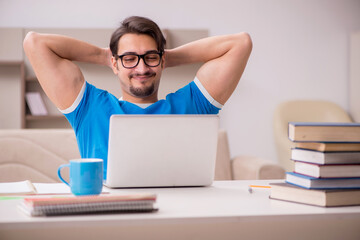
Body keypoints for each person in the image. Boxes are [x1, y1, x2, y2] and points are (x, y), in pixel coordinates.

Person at [23, 16, 252, 179]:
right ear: (115, 63)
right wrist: (106, 56)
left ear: (162, 61)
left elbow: (240, 43)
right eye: (130, 59)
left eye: (150, 57)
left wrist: (164, 56)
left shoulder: (192, 105)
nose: (141, 69)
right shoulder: (89, 107)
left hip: (179, 215)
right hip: (109, 215)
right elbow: (35, 43)